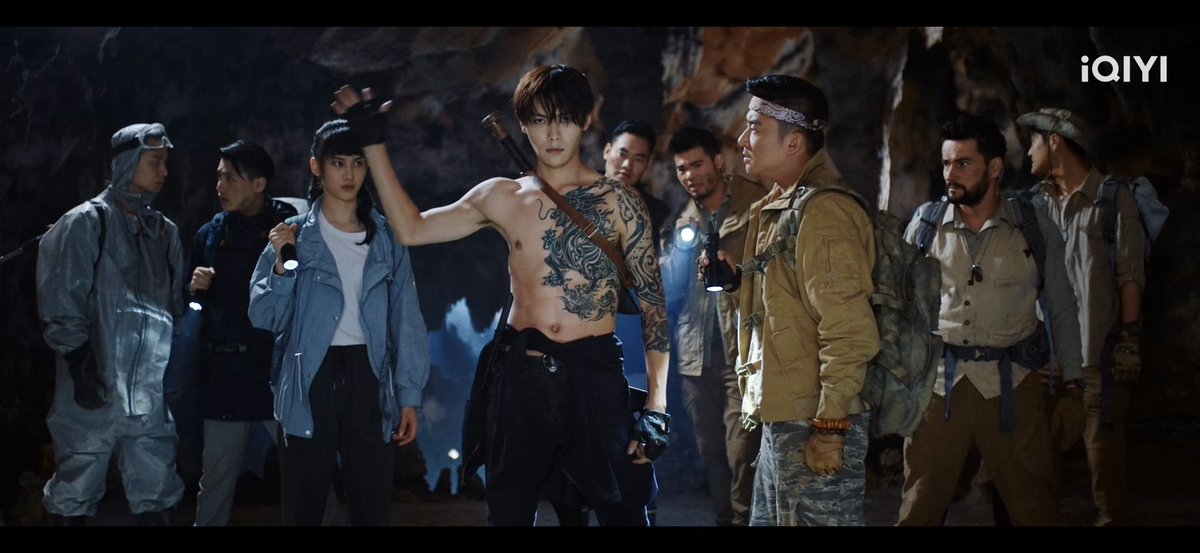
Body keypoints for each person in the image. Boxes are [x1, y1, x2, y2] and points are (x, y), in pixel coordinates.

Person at [334, 64, 670, 526]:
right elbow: (412, 229)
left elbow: (654, 310)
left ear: (586, 120)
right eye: (540, 119)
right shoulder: (501, 196)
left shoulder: (620, 202)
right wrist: (373, 143)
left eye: (565, 119)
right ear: (523, 124)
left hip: (593, 374)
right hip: (520, 376)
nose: (553, 133)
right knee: (508, 512)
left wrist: (657, 408)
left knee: (623, 512)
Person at [705, 75, 878, 526]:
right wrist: (736, 284)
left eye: (755, 127)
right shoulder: (782, 205)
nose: (742, 140)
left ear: (794, 141)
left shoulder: (824, 212)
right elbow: (790, 304)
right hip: (784, 415)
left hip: (814, 420)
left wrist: (831, 428)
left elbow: (849, 330)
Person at [896, 114, 1082, 526]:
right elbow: (901, 309)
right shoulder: (926, 226)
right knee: (919, 508)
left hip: (1013, 384)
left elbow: (1062, 307)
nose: (951, 174)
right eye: (946, 163)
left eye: (964, 163)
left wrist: (1074, 385)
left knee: (1034, 508)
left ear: (995, 168)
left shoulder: (1031, 227)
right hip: (940, 388)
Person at [248, 120, 429, 526]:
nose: (349, 174)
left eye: (358, 163)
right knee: (303, 505)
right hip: (309, 376)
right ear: (316, 166)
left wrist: (409, 395)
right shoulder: (294, 236)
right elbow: (264, 315)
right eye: (338, 163)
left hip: (369, 375)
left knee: (371, 504)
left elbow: (407, 317)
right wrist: (284, 266)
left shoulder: (386, 237)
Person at [36, 122, 186, 526]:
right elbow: (62, 298)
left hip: (147, 392)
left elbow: (171, 307)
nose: (163, 171)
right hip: (93, 384)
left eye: (165, 162)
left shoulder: (162, 231)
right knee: (76, 487)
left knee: (156, 488)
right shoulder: (85, 223)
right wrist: (78, 361)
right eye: (154, 161)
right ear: (127, 162)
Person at [1018, 107, 1144, 526]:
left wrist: (1129, 339)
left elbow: (1129, 275)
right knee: (1038, 461)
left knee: (1103, 459)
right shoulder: (1032, 205)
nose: (1028, 153)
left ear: (1055, 141)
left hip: (1096, 357)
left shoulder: (1112, 200)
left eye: (1034, 142)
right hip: (1045, 358)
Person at [187, 140, 298, 525]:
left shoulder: (289, 230)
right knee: (215, 478)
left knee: (306, 473)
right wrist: (194, 289)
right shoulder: (210, 235)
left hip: (278, 372)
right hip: (226, 372)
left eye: (230, 178)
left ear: (258, 183)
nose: (220, 186)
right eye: (219, 177)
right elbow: (194, 306)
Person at [664, 125, 765, 525]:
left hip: (742, 351)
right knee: (711, 452)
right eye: (682, 168)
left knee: (742, 451)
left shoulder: (755, 204)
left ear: (718, 162)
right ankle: (726, 518)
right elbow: (673, 291)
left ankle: (744, 519)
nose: (690, 175)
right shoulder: (682, 221)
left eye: (697, 164)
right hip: (696, 357)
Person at [603, 119, 669, 251]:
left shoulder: (656, 214)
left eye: (638, 159)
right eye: (622, 154)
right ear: (607, 151)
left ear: (648, 164)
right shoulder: (576, 192)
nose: (627, 165)